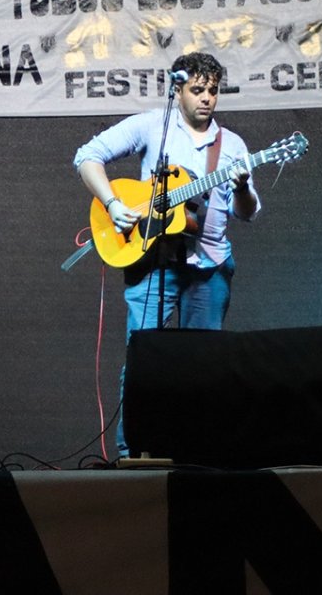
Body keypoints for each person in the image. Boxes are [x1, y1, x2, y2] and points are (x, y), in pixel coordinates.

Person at [73, 52, 260, 456]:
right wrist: (111, 203)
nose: (207, 98)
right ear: (177, 91)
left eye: (213, 90)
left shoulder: (233, 146)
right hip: (153, 264)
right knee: (143, 362)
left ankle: (197, 451)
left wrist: (242, 187)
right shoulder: (151, 126)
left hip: (208, 267)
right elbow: (86, 156)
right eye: (197, 90)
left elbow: (246, 213)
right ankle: (131, 452)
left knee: (203, 365)